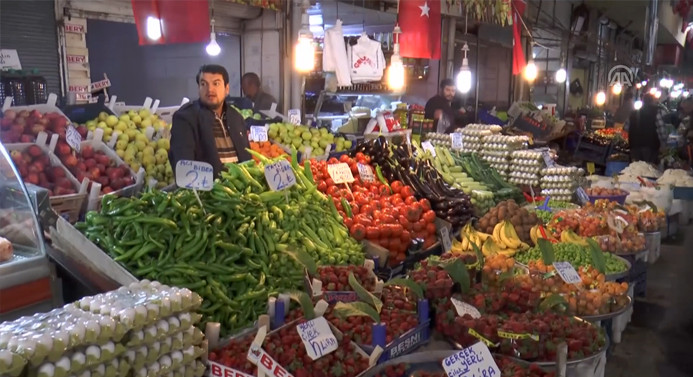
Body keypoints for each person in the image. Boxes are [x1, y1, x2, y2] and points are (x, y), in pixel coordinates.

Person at [170, 65, 251, 178]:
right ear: (198, 88)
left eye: (216, 83)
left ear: (226, 89)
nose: (209, 89)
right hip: (208, 192)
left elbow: (247, 158)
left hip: (241, 191)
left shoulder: (236, 118)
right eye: (203, 84)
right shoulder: (185, 118)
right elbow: (184, 169)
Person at [628, 94, 664, 164]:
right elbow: (661, 130)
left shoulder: (634, 113)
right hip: (650, 145)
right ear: (653, 101)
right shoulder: (656, 112)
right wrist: (663, 143)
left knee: (635, 168)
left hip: (634, 145)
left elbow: (626, 128)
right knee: (649, 169)